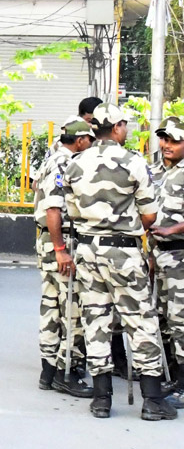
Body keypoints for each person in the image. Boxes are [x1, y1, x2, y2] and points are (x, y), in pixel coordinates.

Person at [58, 104, 174, 420]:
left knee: (95, 321)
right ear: (118, 126)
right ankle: (152, 400)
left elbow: (72, 212)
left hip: (87, 252)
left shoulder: (75, 164)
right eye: (127, 125)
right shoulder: (133, 162)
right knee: (140, 319)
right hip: (124, 253)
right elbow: (150, 215)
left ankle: (101, 399)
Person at [33, 119, 94, 397]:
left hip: (48, 239)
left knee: (51, 305)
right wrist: (60, 248)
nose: (91, 145)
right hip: (62, 239)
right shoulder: (64, 163)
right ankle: (65, 372)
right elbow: (54, 208)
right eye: (89, 140)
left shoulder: (51, 158)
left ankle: (48, 372)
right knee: (71, 307)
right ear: (80, 140)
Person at [150, 117, 184, 401]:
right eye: (164, 139)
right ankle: (174, 375)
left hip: (181, 254)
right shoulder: (160, 171)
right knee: (164, 319)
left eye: (174, 141)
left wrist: (172, 229)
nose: (166, 145)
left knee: (181, 320)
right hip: (162, 255)